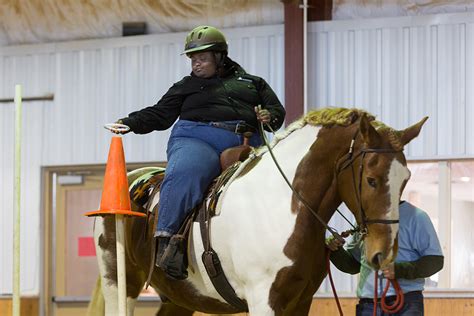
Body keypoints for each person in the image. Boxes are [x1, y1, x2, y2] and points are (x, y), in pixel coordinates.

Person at [115, 25, 285, 280]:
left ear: (219, 57)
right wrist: (131, 122)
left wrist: (269, 115)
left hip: (247, 140)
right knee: (187, 170)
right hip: (197, 137)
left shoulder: (253, 84)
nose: (196, 63)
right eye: (192, 58)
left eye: (202, 58)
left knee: (282, 178)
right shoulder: (185, 86)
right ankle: (167, 241)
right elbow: (160, 114)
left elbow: (276, 112)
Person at [326, 201, 444, 316]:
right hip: (368, 305)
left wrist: (400, 269)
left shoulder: (416, 216)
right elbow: (353, 265)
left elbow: (435, 261)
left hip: (405, 304)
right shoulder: (364, 219)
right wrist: (336, 251)